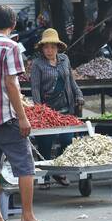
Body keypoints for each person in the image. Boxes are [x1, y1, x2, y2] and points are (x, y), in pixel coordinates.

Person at [0, 5, 53, 221]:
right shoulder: (11, 47)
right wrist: (23, 117)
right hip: (7, 118)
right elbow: (11, 83)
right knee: (25, 167)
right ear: (13, 24)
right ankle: (27, 218)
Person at [30, 28, 83, 185]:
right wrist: (40, 110)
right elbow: (35, 88)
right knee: (45, 145)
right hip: (47, 111)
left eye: (52, 47)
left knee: (67, 142)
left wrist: (79, 95)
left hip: (66, 109)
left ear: (58, 47)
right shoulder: (37, 64)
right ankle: (45, 176)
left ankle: (58, 171)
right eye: (46, 47)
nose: (49, 50)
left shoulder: (64, 59)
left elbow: (71, 81)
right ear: (42, 48)